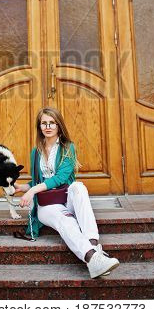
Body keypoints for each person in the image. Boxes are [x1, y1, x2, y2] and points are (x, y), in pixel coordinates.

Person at [14, 106, 120, 279]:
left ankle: (93, 249)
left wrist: (32, 190)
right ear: (39, 127)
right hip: (47, 205)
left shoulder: (68, 148)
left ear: (58, 126)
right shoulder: (35, 152)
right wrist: (23, 188)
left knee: (78, 187)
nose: (47, 127)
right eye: (43, 123)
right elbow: (39, 181)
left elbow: (60, 178)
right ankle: (94, 257)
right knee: (65, 221)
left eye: (52, 123)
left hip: (66, 199)